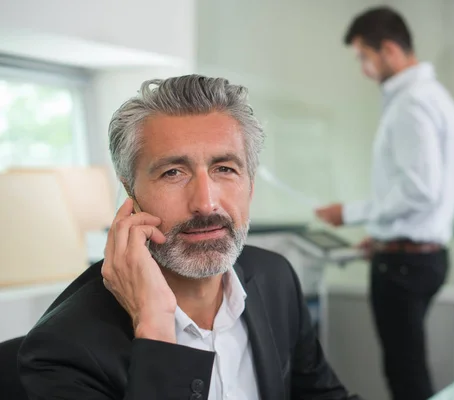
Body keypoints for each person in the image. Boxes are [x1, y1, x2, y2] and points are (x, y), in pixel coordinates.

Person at [18, 75, 362, 400]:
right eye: (173, 172)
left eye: (225, 169)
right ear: (130, 193)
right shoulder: (63, 348)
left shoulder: (275, 277)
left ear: (250, 186)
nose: (205, 203)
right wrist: (154, 328)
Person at [315, 6, 454, 400]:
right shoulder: (434, 98)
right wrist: (380, 236)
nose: (363, 68)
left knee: (405, 373)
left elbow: (420, 189)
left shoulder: (411, 103)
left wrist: (350, 213)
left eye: (364, 57)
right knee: (407, 366)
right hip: (418, 254)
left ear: (389, 50)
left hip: (403, 264)